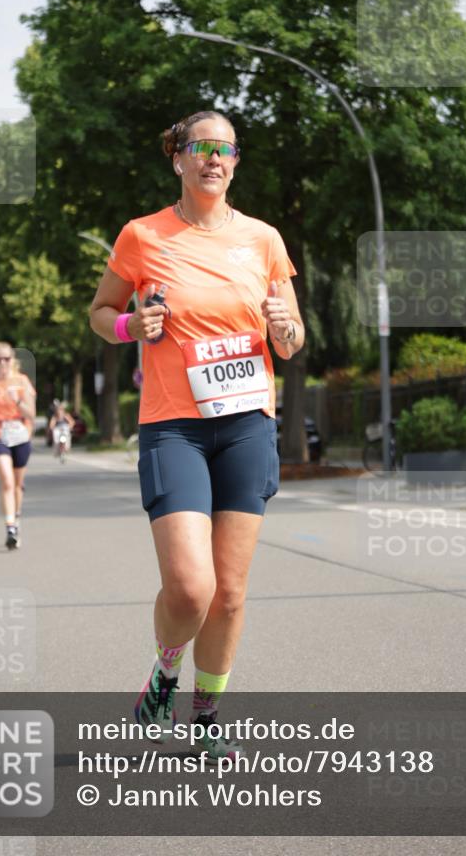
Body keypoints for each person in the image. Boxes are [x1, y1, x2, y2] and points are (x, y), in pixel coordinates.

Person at [89, 110, 304, 761]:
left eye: (226, 149)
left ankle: (205, 718)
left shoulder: (263, 239)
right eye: (201, 147)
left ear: (235, 163)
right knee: (190, 588)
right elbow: (100, 313)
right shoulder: (142, 235)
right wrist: (133, 327)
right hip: (174, 426)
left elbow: (292, 343)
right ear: (177, 158)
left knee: (230, 593)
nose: (215, 158)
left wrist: (282, 326)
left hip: (245, 425)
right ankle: (164, 674)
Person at [0, 342, 36, 550]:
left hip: (19, 433)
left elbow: (32, 415)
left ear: (13, 360)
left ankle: (16, 519)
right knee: (7, 482)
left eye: (6, 359)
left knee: (18, 485)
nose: (2, 362)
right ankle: (10, 527)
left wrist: (17, 401)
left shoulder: (22, 381)